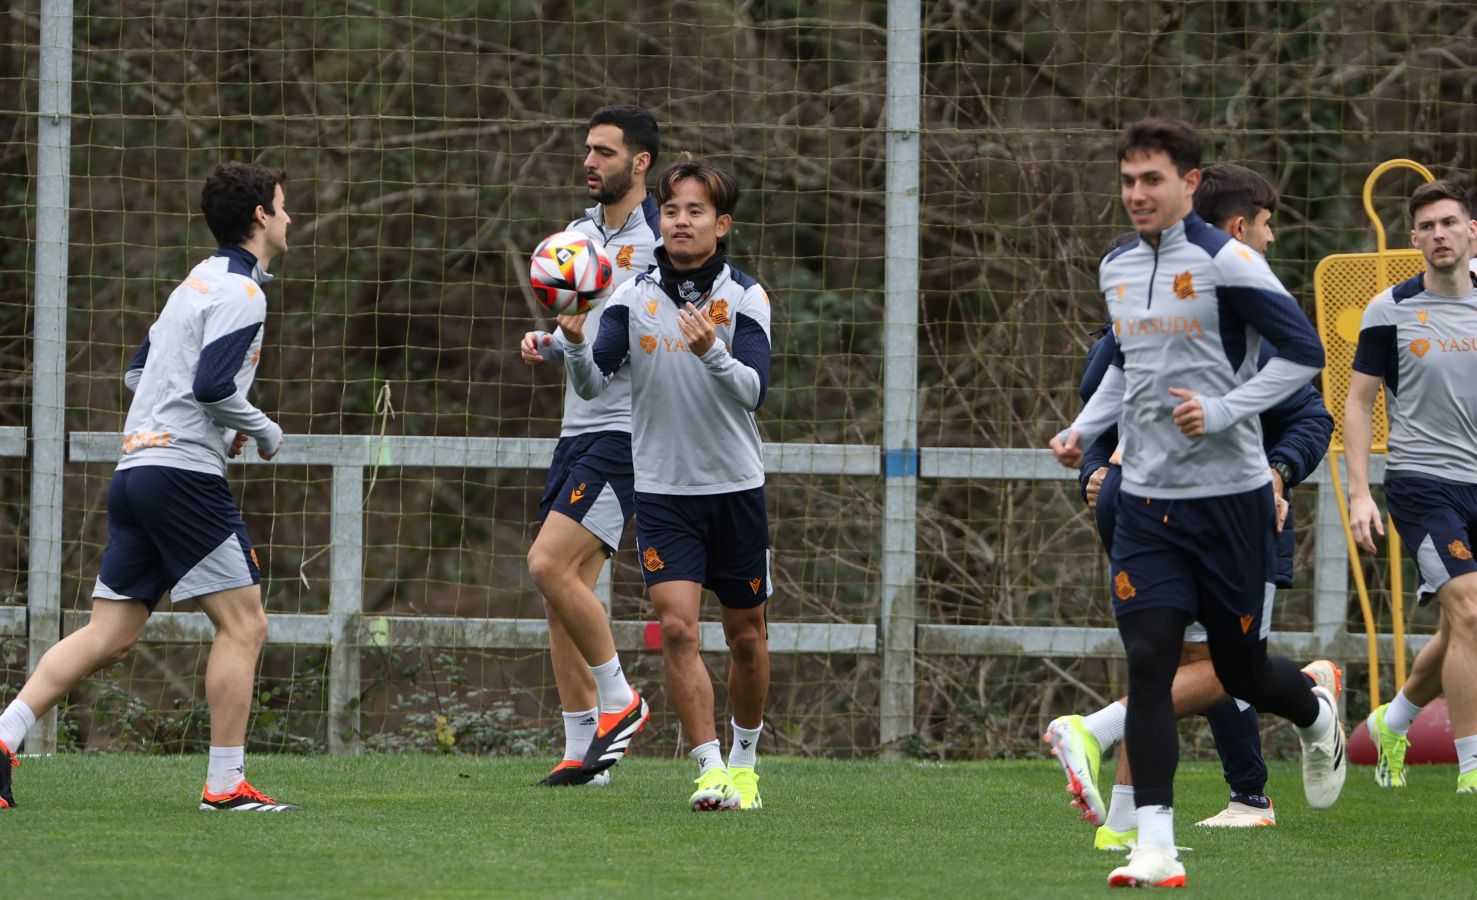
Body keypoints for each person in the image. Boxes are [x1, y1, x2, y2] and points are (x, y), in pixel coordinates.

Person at [1048, 118, 1346, 888]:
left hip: (1231, 503)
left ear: (1188, 183)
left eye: (1152, 180)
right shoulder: (1116, 265)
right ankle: (1155, 844)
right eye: (1126, 180)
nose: (1137, 194)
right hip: (1145, 500)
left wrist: (1223, 411)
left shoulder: (1231, 262)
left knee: (1239, 670)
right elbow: (1125, 364)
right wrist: (1082, 429)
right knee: (1148, 663)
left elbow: (1304, 356)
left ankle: (1313, 711)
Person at [0, 162, 297, 812]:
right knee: (245, 626)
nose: (288, 216)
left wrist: (215, 424)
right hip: (181, 479)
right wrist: (262, 429)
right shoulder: (243, 295)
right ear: (258, 218)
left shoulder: (192, 285)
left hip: (135, 469)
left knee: (110, 632)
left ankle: (3, 734)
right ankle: (225, 786)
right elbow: (213, 387)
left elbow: (141, 375)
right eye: (281, 205)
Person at [561, 153, 773, 811]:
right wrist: (572, 344)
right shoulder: (632, 295)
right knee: (677, 629)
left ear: (722, 224)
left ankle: (744, 761)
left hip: (734, 490)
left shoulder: (743, 295)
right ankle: (708, 768)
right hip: (661, 492)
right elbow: (595, 383)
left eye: (695, 211)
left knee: (745, 636)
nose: (680, 221)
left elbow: (753, 393)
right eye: (672, 209)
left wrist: (712, 350)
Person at [519, 104, 662, 787]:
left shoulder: (667, 238)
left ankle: (620, 700)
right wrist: (550, 342)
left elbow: (658, 337)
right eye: (586, 150)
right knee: (563, 591)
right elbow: (583, 332)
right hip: (577, 427)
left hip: (628, 433)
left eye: (603, 152)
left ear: (639, 163)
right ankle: (585, 753)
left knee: (547, 563)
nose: (588, 162)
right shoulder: (576, 236)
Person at [1345, 179, 1477, 796]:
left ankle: (1390, 723)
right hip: (1422, 484)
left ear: (1471, 230)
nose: (1438, 235)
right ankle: (1473, 768)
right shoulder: (1388, 310)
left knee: (1460, 628)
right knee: (1471, 609)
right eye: (1426, 227)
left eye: (1449, 222)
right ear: (1415, 238)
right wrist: (1359, 493)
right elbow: (1359, 403)